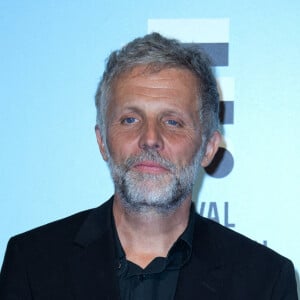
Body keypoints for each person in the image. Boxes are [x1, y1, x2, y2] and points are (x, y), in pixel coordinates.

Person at [0, 32, 298, 300]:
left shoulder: (265, 281)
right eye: (130, 119)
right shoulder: (31, 264)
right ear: (102, 141)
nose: (150, 139)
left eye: (172, 122)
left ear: (208, 148)